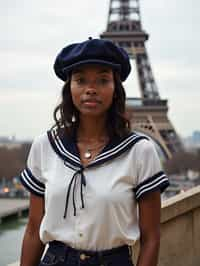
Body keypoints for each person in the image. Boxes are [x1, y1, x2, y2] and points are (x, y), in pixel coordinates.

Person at [19, 37, 169, 266]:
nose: (91, 89)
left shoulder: (140, 151)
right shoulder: (44, 146)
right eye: (80, 80)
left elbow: (151, 238)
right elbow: (32, 230)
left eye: (102, 80)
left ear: (115, 89)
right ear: (69, 88)